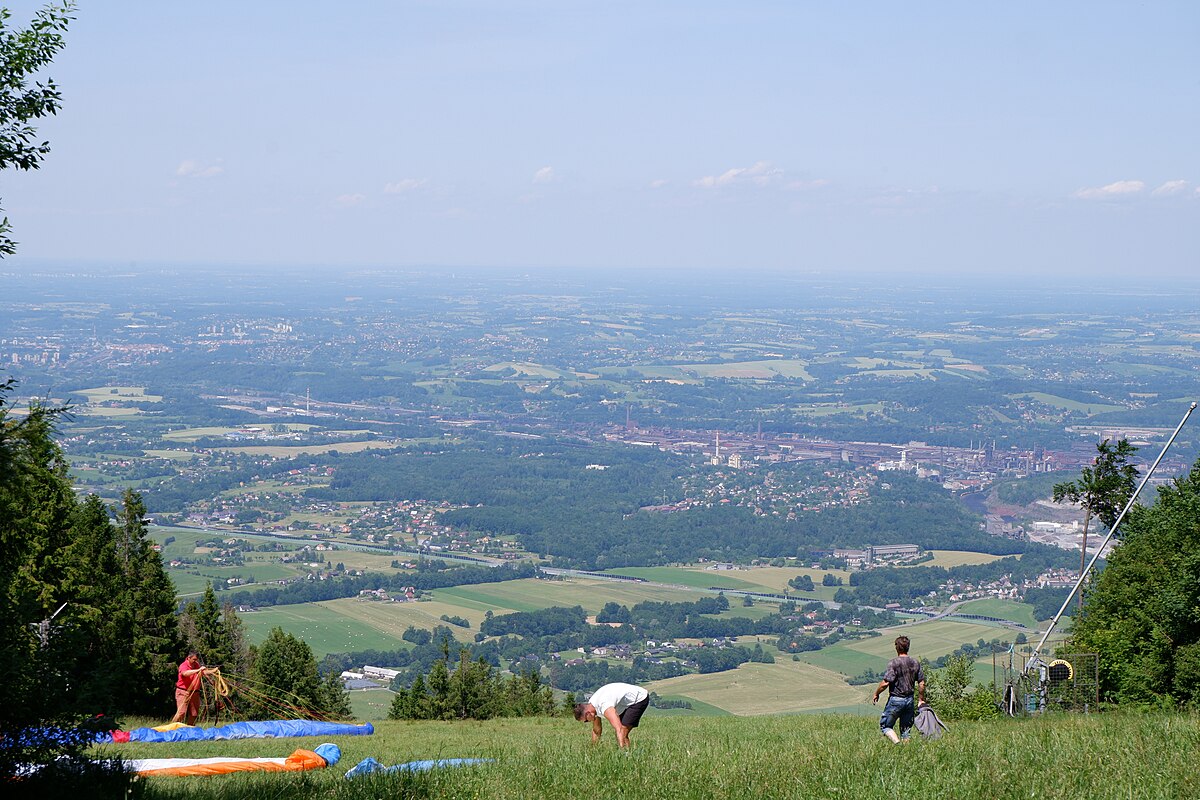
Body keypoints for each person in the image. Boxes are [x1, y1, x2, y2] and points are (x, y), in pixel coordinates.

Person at [871, 635, 925, 743]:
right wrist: (920, 699)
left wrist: (876, 693)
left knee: (885, 726)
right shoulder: (915, 663)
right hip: (909, 700)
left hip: (896, 699)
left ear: (897, 647)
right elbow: (921, 683)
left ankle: (897, 744)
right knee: (906, 731)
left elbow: (885, 683)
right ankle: (906, 752)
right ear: (908, 647)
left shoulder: (893, 663)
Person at [573, 682, 649, 748]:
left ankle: (626, 756)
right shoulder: (592, 706)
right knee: (621, 732)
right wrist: (593, 750)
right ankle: (625, 753)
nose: (587, 722)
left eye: (586, 720)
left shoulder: (605, 706)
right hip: (623, 703)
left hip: (638, 699)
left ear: (588, 713)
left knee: (623, 731)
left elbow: (619, 729)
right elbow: (597, 730)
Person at [171, 651, 213, 725]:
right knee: (181, 713)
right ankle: (171, 729)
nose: (195, 661)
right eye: (194, 659)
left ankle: (189, 730)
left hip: (194, 692)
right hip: (183, 692)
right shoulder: (183, 665)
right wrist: (198, 670)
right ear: (189, 658)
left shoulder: (196, 664)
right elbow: (185, 673)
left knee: (194, 714)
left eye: (196, 659)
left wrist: (213, 671)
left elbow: (203, 672)